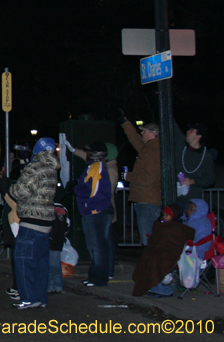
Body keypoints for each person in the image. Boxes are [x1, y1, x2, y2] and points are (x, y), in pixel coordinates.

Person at [9, 137, 58, 309]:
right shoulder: (51, 168)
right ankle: (40, 298)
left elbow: (19, 191)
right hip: (45, 223)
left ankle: (28, 298)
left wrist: (12, 184)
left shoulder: (35, 167)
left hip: (31, 221)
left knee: (23, 261)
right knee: (40, 264)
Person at [117, 111, 162, 245]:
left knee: (149, 241)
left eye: (144, 131)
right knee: (148, 240)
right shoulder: (148, 149)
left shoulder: (153, 152)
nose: (141, 133)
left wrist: (127, 176)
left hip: (147, 203)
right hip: (145, 201)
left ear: (152, 134)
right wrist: (125, 123)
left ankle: (152, 265)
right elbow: (134, 138)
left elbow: (148, 178)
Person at [72, 141, 114, 287]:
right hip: (94, 210)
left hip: (96, 211)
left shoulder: (97, 167)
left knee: (97, 246)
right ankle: (96, 276)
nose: (88, 154)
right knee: (95, 245)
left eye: (90, 151)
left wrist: (76, 188)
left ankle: (99, 278)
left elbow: (92, 191)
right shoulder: (94, 167)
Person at [132, 204, 194, 297]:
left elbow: (174, 243)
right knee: (146, 259)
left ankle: (163, 290)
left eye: (167, 215)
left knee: (156, 262)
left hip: (170, 254)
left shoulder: (177, 228)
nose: (164, 217)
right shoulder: (161, 226)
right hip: (161, 251)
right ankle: (154, 287)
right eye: (163, 214)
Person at [174, 120, 217, 209]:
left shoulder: (206, 156)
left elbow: (210, 179)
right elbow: (174, 128)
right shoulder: (181, 146)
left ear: (199, 136)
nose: (188, 131)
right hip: (174, 201)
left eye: (192, 130)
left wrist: (193, 181)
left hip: (192, 204)